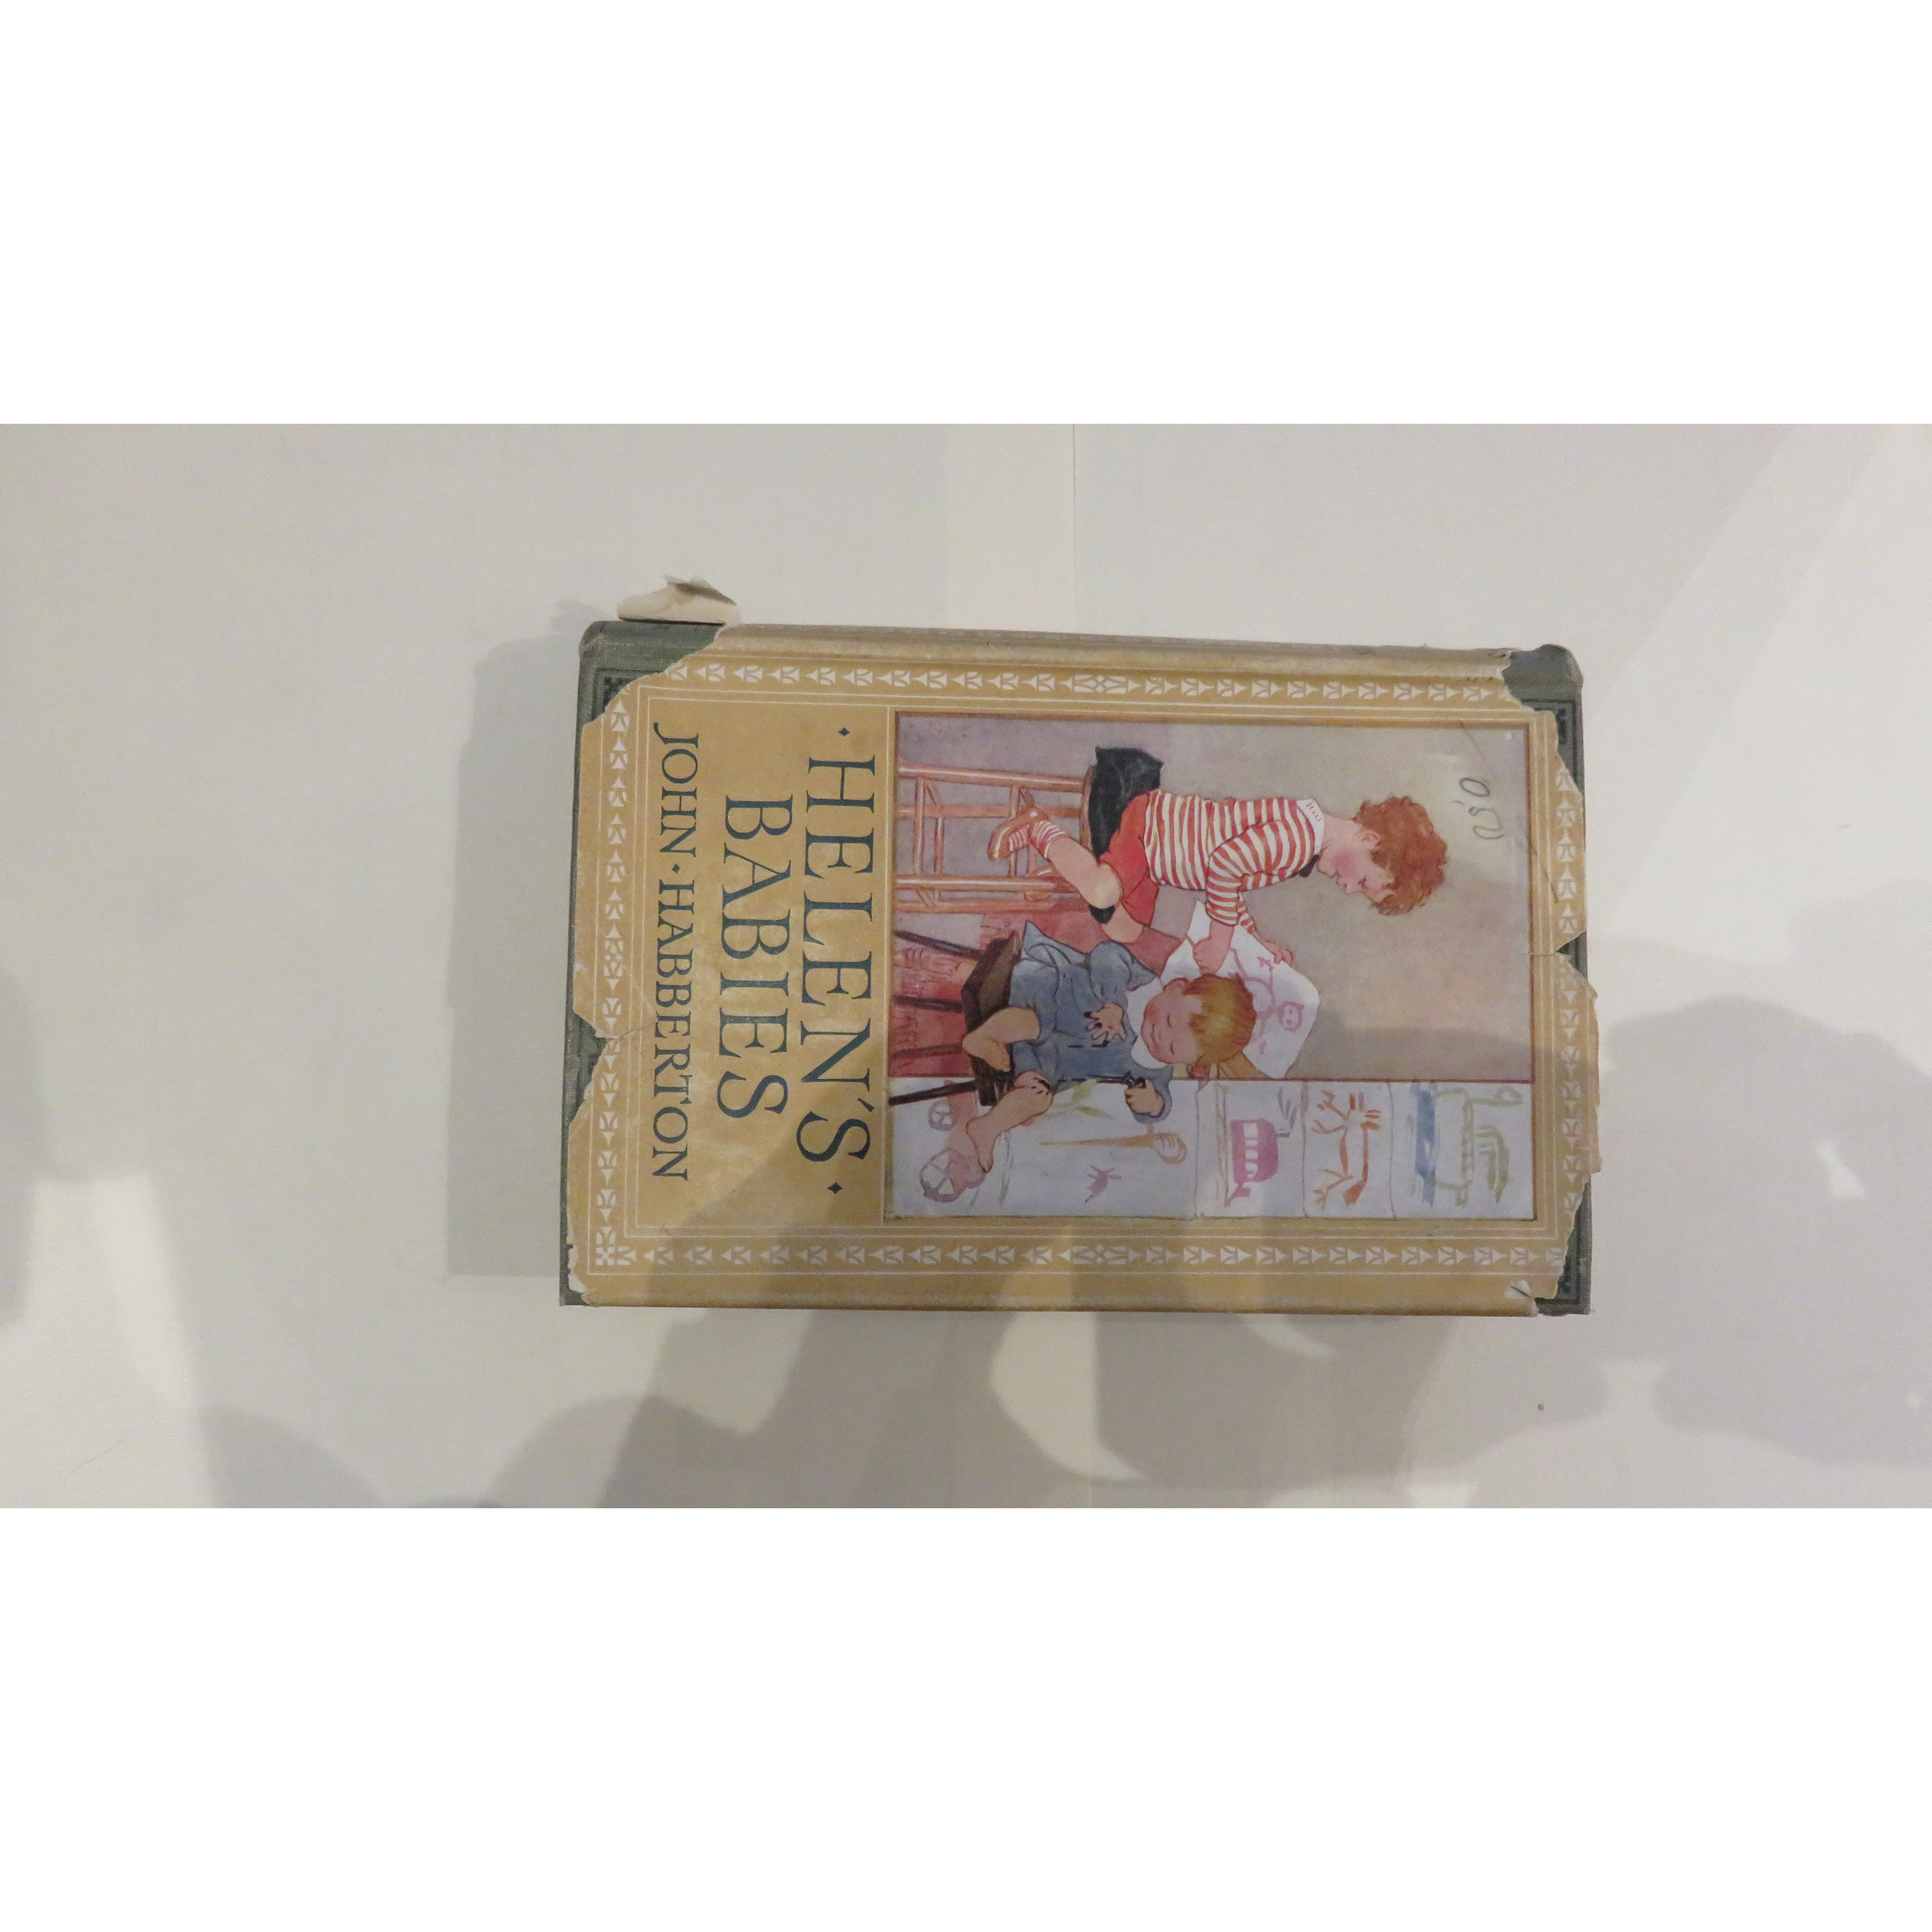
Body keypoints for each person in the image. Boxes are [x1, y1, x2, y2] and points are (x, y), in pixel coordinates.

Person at [990, 757, 1448, 978]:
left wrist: (1255, 939)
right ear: (1369, 840)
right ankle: (1038, 829)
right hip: (1153, 832)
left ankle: (1068, 864)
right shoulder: (1297, 839)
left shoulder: (1305, 838)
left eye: (1361, 891)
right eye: (1364, 880)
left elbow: (1234, 884)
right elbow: (1225, 866)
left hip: (1158, 863)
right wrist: (1223, 938)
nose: (1349, 888)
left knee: (1126, 931)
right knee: (1103, 893)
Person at [919, 922, 1256, 1198]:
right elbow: (1109, 954)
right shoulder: (1141, 983)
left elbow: (1161, 1101)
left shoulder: (1154, 1069)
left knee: (1038, 1095)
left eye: (1172, 1048)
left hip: (1049, 1062)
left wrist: (1152, 1104)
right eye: (1168, 1020)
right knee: (1033, 1023)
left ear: (1188, 1061)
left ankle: (986, 1128)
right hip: (1049, 998)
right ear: (1175, 988)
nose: (1158, 1036)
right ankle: (985, 1037)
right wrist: (1114, 1002)